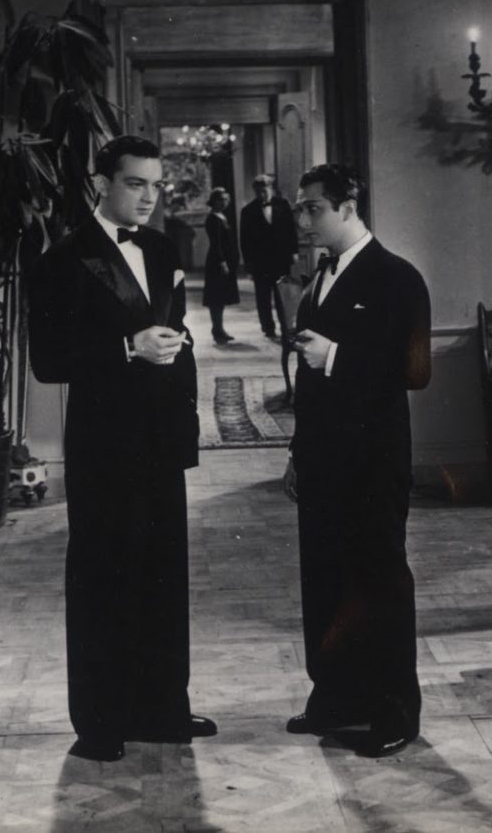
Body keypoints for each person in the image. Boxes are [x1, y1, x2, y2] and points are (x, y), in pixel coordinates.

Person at [27, 135, 217, 763]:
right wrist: (127, 348)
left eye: (156, 185)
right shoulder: (62, 260)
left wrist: (179, 384)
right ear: (102, 183)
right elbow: (48, 361)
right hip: (103, 443)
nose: (148, 197)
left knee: (163, 574)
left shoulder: (162, 249)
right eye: (136, 183)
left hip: (160, 436)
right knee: (102, 576)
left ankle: (162, 709)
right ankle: (100, 722)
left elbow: (176, 332)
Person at [282, 163, 432, 758]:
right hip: (322, 461)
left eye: (313, 208)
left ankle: (395, 713)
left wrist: (336, 356)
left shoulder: (398, 277)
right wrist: (297, 455)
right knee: (323, 579)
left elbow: (415, 372)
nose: (303, 219)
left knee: (378, 581)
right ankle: (336, 698)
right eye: (300, 208)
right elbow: (309, 389)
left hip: (374, 462)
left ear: (348, 206)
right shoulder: (319, 279)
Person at [239, 174, 299, 339]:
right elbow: (244, 240)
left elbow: (291, 230)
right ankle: (268, 328)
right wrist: (248, 263)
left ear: (271, 189)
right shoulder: (248, 211)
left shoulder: (283, 205)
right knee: (263, 296)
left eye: (264, 191)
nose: (262, 195)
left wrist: (294, 252)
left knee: (282, 295)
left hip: (281, 259)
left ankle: (286, 327)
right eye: (258, 192)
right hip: (260, 262)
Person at [202, 187, 240, 344]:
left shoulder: (222, 216)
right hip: (217, 263)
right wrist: (222, 262)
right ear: (213, 201)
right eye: (220, 200)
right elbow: (216, 243)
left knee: (221, 297)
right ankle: (216, 329)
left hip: (225, 261)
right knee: (216, 298)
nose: (223, 202)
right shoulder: (212, 218)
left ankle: (219, 328)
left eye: (225, 199)